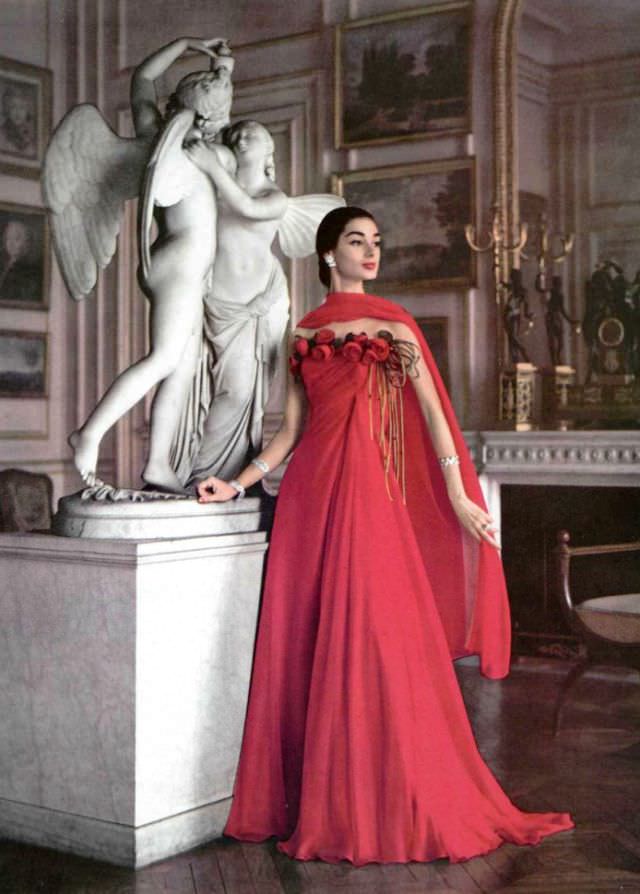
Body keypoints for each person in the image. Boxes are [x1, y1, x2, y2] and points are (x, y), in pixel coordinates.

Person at [196, 206, 574, 864]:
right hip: (310, 500)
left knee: (376, 634)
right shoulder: (302, 331)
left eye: (376, 241)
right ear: (327, 254)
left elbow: (434, 417)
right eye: (356, 241)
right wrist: (237, 481)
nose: (371, 252)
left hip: (372, 497)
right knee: (307, 641)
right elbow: (289, 431)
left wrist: (459, 495)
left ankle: (388, 796)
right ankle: (321, 799)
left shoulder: (394, 325)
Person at [0, 218, 42, 305]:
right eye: (8, 238)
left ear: (27, 243)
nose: (10, 243)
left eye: (16, 238)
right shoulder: (4, 265)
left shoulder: (30, 272)